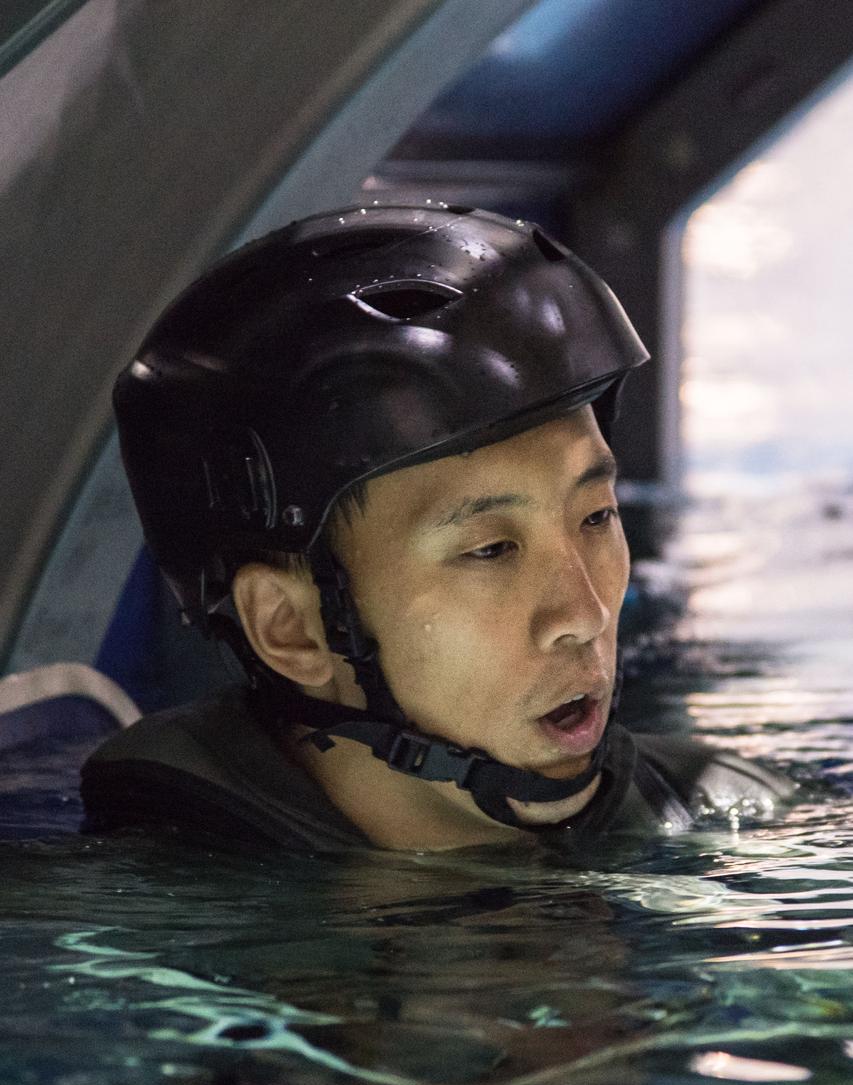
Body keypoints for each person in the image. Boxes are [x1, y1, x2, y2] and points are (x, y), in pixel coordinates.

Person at [81, 204, 793, 851]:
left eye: (595, 516)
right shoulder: (134, 947)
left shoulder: (734, 823)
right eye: (489, 549)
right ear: (290, 628)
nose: (585, 612)